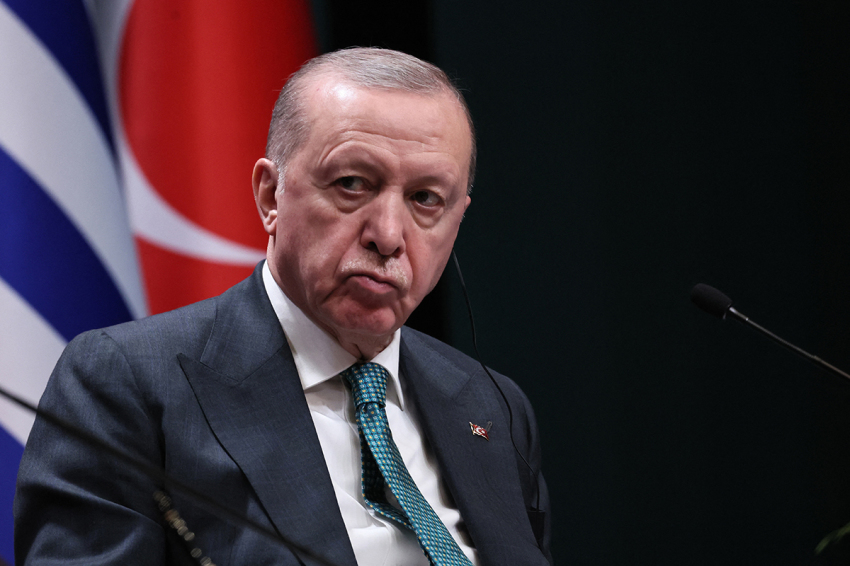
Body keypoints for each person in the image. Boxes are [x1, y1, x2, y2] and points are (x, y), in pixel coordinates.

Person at [15, 47, 552, 566]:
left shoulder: (490, 404)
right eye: (352, 184)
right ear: (271, 196)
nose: (389, 236)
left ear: (458, 219)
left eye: (426, 199)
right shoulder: (128, 385)